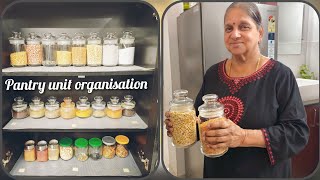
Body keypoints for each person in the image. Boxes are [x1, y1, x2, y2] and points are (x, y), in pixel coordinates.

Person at [165, 2, 309, 178]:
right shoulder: (213, 74)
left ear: (260, 33)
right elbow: (198, 125)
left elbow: (297, 134)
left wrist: (242, 136)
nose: (235, 34)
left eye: (244, 26)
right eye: (228, 28)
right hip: (218, 172)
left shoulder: (280, 75)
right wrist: (180, 125)